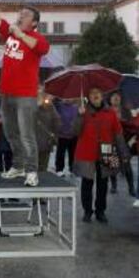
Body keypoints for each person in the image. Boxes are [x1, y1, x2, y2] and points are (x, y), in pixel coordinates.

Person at [0, 0, 50, 187]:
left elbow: (42, 49)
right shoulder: (11, 34)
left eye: (25, 14)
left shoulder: (37, 38)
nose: (20, 15)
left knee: (27, 134)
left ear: (34, 22)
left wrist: (20, 34)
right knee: (11, 133)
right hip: (6, 93)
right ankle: (18, 165)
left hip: (25, 95)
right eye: (20, 13)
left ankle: (31, 171)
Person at [73, 88, 129, 223]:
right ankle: (87, 211)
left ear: (102, 95)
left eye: (98, 92)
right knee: (87, 183)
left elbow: (118, 134)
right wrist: (80, 116)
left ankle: (100, 211)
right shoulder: (83, 111)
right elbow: (75, 132)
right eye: (92, 93)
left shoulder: (110, 112)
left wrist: (124, 154)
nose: (95, 95)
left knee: (103, 184)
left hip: (107, 151)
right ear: (88, 96)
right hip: (86, 152)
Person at [107, 91, 135, 196]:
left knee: (127, 166)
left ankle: (131, 187)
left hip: (124, 142)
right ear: (110, 100)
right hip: (111, 141)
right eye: (114, 97)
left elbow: (132, 125)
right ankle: (114, 185)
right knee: (112, 165)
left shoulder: (126, 111)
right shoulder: (107, 111)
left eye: (118, 97)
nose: (116, 98)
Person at [36, 88, 60, 172]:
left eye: (42, 94)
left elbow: (57, 121)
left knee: (43, 167)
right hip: (31, 143)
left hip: (45, 142)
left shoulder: (49, 106)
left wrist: (54, 136)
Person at [54, 99, 79, 177]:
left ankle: (72, 168)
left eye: (70, 98)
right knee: (61, 153)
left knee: (73, 153)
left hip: (73, 134)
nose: (68, 99)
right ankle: (59, 169)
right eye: (66, 98)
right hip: (62, 134)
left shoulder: (76, 107)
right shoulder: (59, 105)